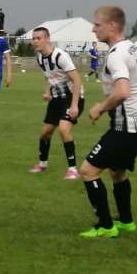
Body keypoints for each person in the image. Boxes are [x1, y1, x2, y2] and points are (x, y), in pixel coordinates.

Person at [74, 5, 137, 239]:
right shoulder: (133, 48)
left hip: (126, 125)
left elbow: (122, 91)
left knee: (88, 171)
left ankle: (106, 226)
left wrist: (99, 107)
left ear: (112, 25)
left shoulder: (117, 54)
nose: (93, 29)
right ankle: (126, 221)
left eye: (97, 24)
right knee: (117, 171)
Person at [27, 25, 83, 179]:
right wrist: (48, 91)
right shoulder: (40, 57)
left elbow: (77, 80)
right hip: (57, 98)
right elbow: (49, 77)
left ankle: (73, 170)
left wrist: (74, 105)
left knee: (64, 129)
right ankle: (42, 164)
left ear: (47, 39)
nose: (35, 41)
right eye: (33, 38)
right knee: (45, 133)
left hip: (72, 97)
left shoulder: (60, 56)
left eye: (38, 38)